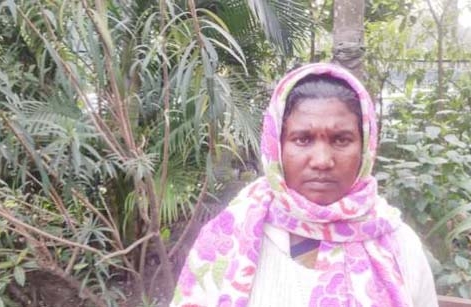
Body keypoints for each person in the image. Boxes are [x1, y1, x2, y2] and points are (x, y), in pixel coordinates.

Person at [170, 63, 438, 307]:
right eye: (302, 139)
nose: (322, 160)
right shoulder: (228, 236)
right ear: (277, 146)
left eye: (341, 140)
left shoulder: (398, 244)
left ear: (366, 146)